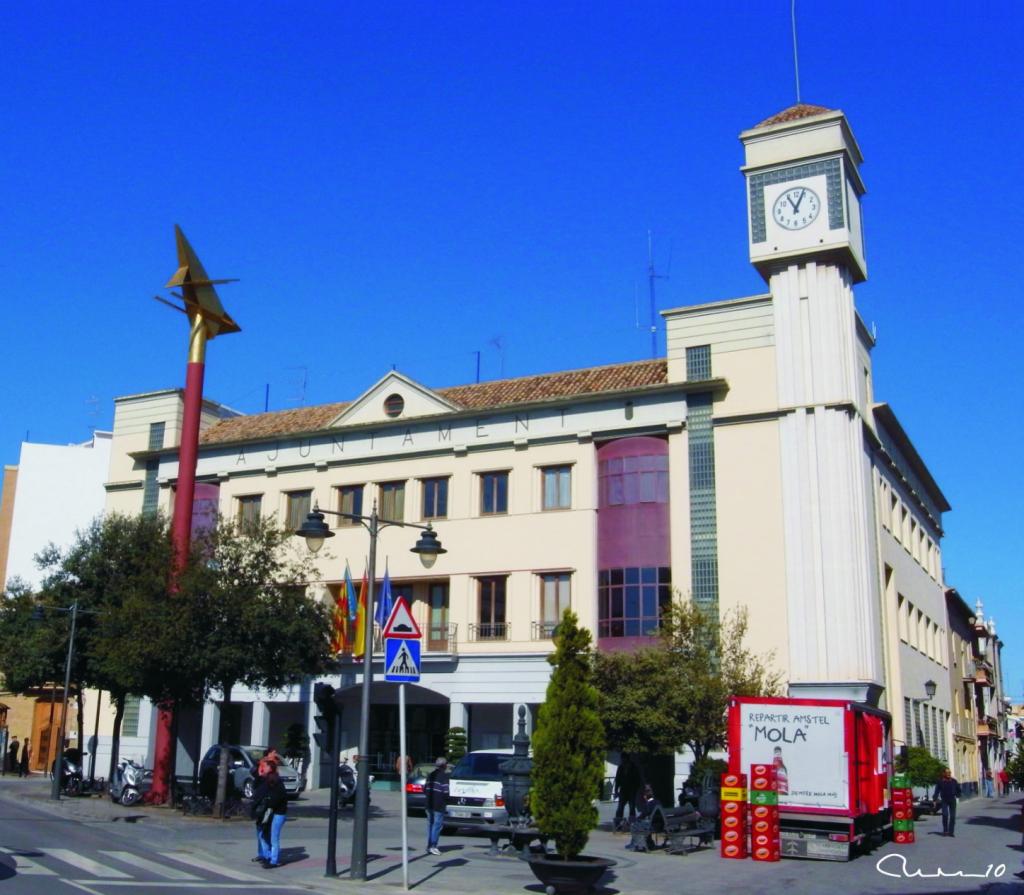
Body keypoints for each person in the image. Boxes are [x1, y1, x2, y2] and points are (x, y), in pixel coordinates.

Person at [253, 766, 288, 869]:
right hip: (274, 813)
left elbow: (273, 802)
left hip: (278, 814)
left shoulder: (278, 789)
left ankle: (273, 860)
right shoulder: (274, 786)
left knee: (274, 837)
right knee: (265, 835)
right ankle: (268, 856)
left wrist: (267, 802)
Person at [423, 757, 450, 856]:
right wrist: (448, 800)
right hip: (439, 804)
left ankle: (429, 845)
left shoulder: (431, 775)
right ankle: (433, 846)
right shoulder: (444, 776)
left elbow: (424, 789)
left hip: (429, 803)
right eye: (446, 764)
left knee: (430, 824)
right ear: (444, 765)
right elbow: (446, 791)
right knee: (437, 825)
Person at [613, 754, 642, 832]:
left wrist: (635, 789)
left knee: (632, 807)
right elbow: (617, 779)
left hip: (631, 791)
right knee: (620, 808)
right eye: (622, 759)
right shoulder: (621, 767)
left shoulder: (633, 767)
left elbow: (637, 779)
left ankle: (632, 825)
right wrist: (616, 790)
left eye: (624, 759)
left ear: (627, 759)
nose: (622, 761)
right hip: (623, 791)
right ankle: (618, 825)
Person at [932, 768, 961, 837]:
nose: (949, 774)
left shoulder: (954, 781)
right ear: (944, 774)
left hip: (952, 800)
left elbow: (958, 789)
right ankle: (945, 830)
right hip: (944, 800)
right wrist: (934, 800)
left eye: (949, 772)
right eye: (947, 772)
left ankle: (951, 832)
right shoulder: (940, 782)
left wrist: (957, 795)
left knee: (953, 816)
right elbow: (936, 791)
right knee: (945, 815)